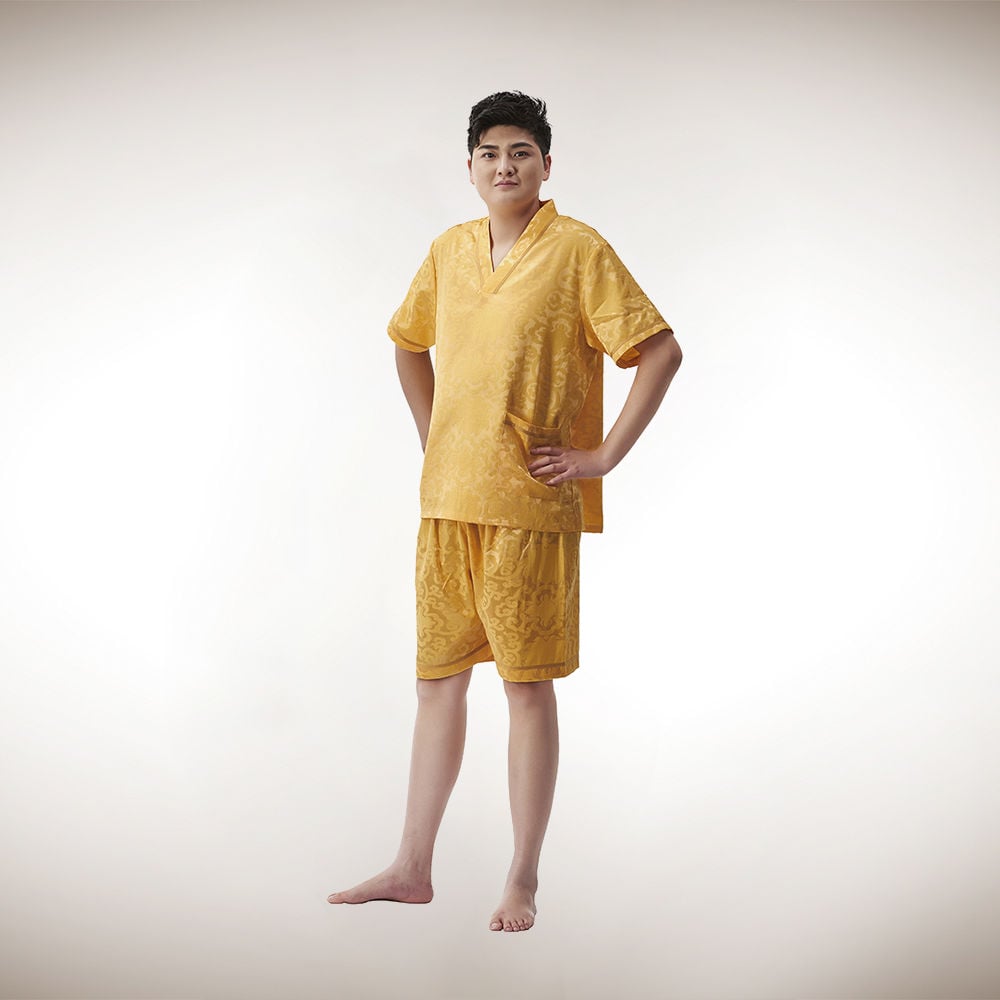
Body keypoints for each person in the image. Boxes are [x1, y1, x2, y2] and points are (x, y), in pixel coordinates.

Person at [327, 91, 682, 932]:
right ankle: (411, 867)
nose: (505, 165)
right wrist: (435, 438)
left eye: (521, 151)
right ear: (470, 167)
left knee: (526, 688)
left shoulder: (577, 250)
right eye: (489, 153)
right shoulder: (448, 251)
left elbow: (660, 350)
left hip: (530, 504)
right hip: (448, 504)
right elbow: (407, 342)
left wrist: (601, 457)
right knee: (436, 683)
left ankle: (522, 879)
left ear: (546, 165)